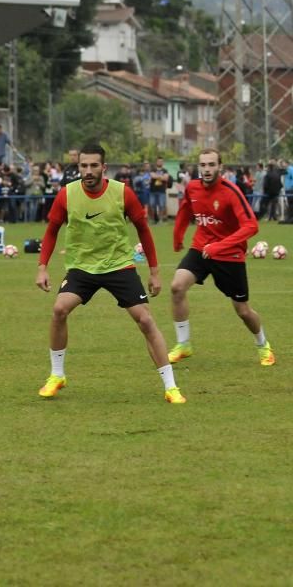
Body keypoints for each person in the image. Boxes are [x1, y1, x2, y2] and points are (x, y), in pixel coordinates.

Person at [35, 143, 186, 404]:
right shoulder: (67, 194)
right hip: (82, 267)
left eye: (94, 165)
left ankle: (171, 387)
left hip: (119, 266)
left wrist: (154, 272)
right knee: (59, 310)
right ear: (78, 167)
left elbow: (144, 230)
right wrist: (42, 267)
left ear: (104, 168)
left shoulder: (122, 193)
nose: (89, 171)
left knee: (146, 321)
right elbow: (51, 230)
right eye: (84, 166)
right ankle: (56, 375)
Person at [168, 149, 274, 367]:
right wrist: (178, 236)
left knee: (243, 311)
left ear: (220, 167)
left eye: (211, 165)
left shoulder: (230, 192)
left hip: (230, 254)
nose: (207, 169)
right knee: (177, 287)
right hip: (201, 248)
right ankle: (183, 344)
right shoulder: (193, 187)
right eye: (203, 165)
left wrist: (220, 246)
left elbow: (251, 225)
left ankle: (263, 345)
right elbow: (185, 210)